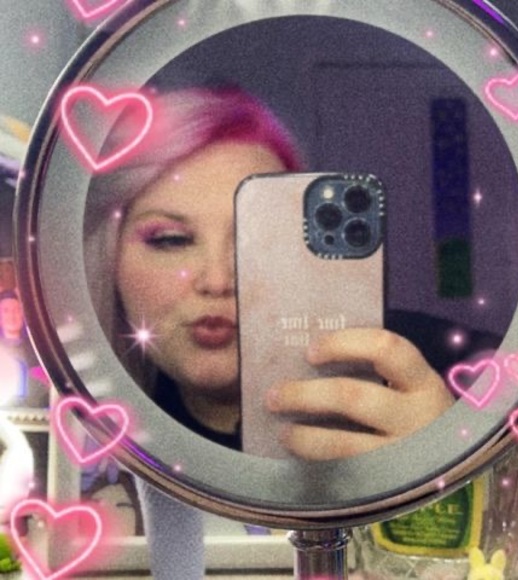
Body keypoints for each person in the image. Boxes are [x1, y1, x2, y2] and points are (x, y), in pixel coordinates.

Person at [84, 86, 477, 578]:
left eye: (256, 238)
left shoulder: (438, 369)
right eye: (171, 240)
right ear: (110, 256)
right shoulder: (86, 436)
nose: (217, 280)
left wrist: (457, 478)